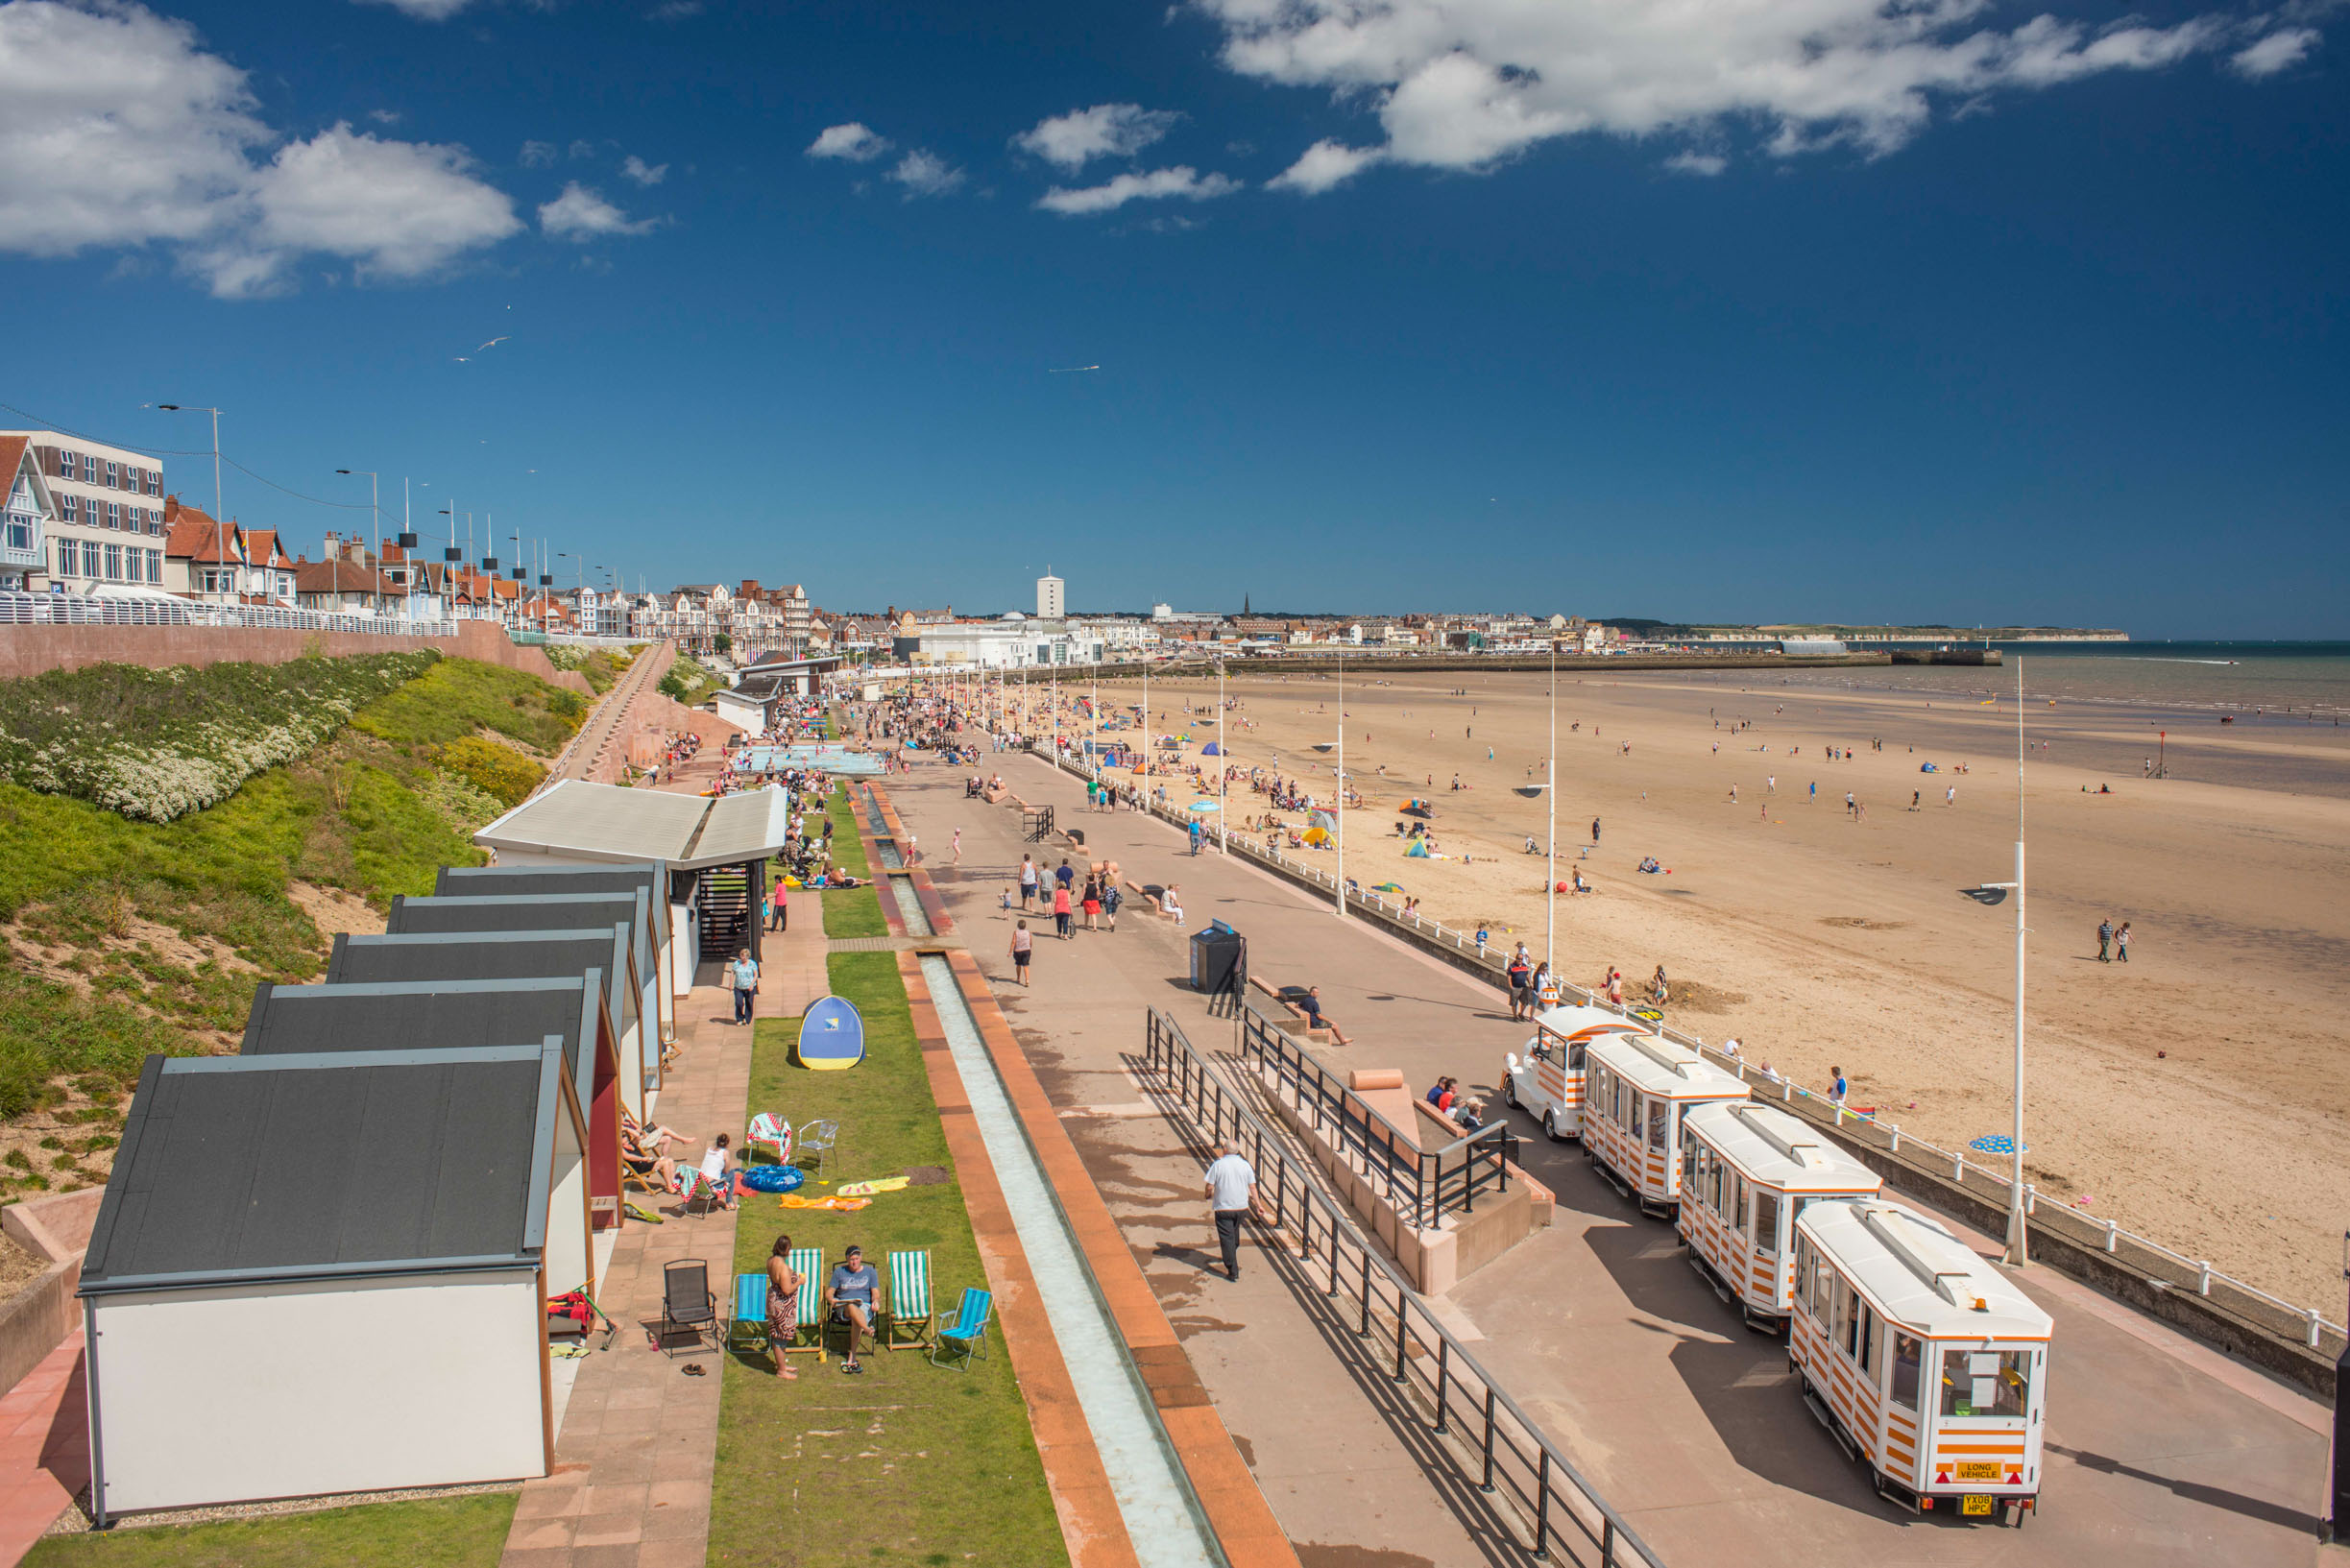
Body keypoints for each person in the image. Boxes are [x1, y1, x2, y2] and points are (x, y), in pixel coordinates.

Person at [1204, 1140, 1257, 1283]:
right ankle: (1231, 1252)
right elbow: (1252, 1187)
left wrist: (1207, 1194)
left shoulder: (1218, 1165)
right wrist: (1258, 1205)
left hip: (1223, 1208)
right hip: (1241, 1208)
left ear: (1225, 1150)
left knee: (1227, 1238)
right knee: (1233, 1235)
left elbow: (1210, 1186)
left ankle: (1232, 1270)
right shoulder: (1245, 1165)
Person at [824, 1244, 880, 1373]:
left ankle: (852, 1358)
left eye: (856, 1258)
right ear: (847, 1259)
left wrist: (876, 1301)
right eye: (851, 1259)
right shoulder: (839, 1272)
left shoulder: (870, 1272)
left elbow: (876, 1292)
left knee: (857, 1318)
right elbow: (829, 1292)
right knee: (851, 1306)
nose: (854, 1262)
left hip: (864, 1306)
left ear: (861, 1258)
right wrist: (831, 1299)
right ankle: (866, 1329)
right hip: (844, 1307)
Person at [765, 1235, 803, 1379]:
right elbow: (787, 1289)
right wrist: (799, 1281)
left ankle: (782, 1365)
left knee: (778, 1334)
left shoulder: (770, 1261)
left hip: (772, 1299)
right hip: (781, 1305)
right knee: (780, 1337)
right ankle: (781, 1371)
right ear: (787, 1249)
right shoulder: (782, 1267)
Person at [697, 1133, 739, 1212]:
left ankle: (714, 1201)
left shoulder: (709, 1149)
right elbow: (726, 1171)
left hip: (701, 1183)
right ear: (727, 1144)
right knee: (732, 1173)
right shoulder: (725, 1152)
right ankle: (729, 1202)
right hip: (712, 1185)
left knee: (715, 1174)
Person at [730, 947, 759, 1025]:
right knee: (739, 1003)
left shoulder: (752, 964)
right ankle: (739, 1018)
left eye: (744, 956)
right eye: (741, 955)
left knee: (749, 1003)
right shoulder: (737, 963)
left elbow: (756, 975)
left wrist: (752, 984)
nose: (742, 958)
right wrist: (730, 983)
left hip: (749, 987)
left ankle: (747, 1019)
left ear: (747, 957)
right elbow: (732, 972)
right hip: (738, 987)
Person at [1506, 950, 1533, 1021]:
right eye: (1519, 959)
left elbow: (1527, 975)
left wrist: (1530, 983)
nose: (1520, 960)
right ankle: (1515, 1016)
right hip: (1515, 987)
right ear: (1516, 959)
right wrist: (1511, 986)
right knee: (1514, 1003)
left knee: (1525, 1002)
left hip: (1523, 987)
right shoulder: (1511, 966)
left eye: (1521, 959)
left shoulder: (1524, 966)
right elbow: (1509, 976)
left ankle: (1521, 1014)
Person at [1011, 920, 1032, 985]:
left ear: (1018, 926)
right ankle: (1027, 980)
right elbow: (1030, 941)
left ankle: (1018, 978)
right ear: (1025, 926)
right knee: (1026, 966)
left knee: (1018, 965)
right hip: (1026, 950)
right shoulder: (1028, 932)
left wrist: (1010, 951)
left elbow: (1013, 942)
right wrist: (1030, 947)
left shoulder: (1016, 932)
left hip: (1018, 951)